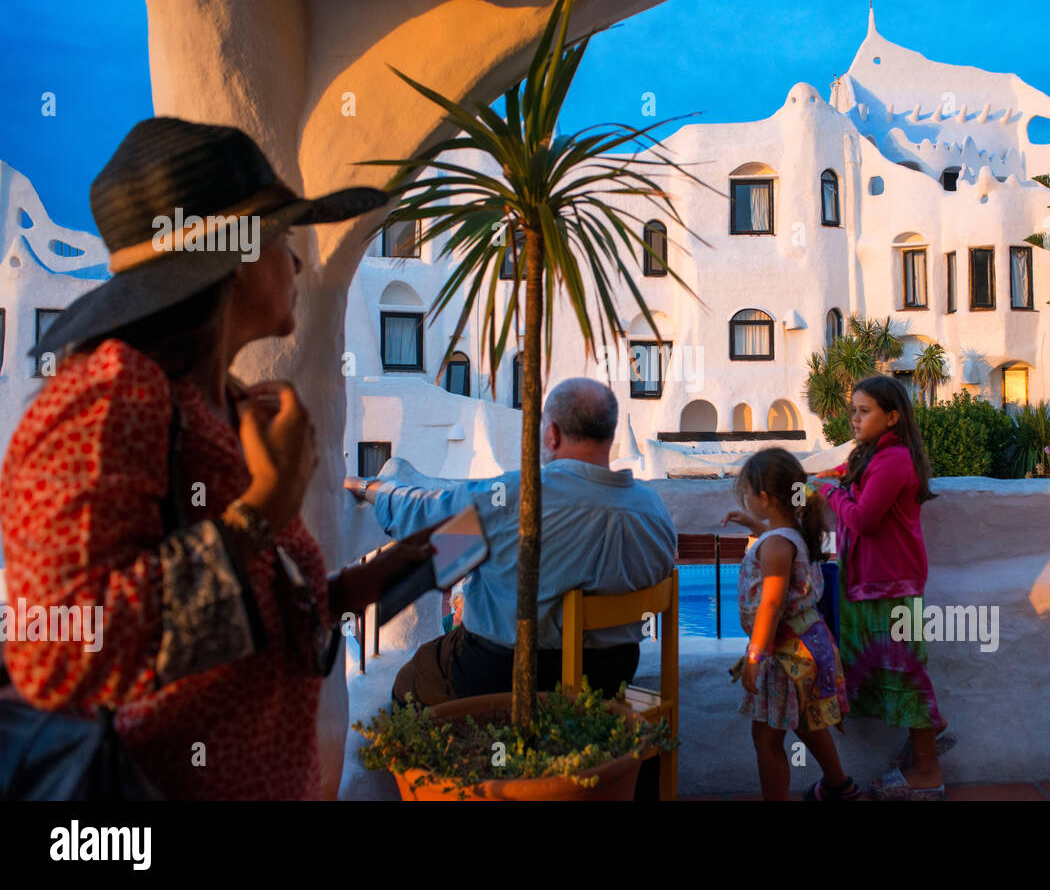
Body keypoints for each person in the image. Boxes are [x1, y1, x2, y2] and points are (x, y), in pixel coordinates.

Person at [1, 117, 438, 800]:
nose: (295, 263)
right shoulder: (113, 395)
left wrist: (361, 587)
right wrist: (262, 510)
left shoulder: (213, 403)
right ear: (231, 259)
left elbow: (227, 623)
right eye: (283, 239)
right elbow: (57, 651)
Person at [346, 378, 677, 706]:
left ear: (553, 434)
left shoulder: (517, 498)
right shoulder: (654, 511)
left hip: (505, 674)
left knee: (413, 677)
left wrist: (368, 489)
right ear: (610, 433)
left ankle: (480, 751)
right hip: (610, 677)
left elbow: (426, 513)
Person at [810, 375, 948, 800]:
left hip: (889, 587)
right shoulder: (870, 457)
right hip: (870, 585)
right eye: (852, 410)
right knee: (892, 671)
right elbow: (840, 477)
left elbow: (864, 519)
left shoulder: (893, 461)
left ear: (891, 417)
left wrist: (831, 492)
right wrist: (834, 478)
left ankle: (928, 771)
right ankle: (927, 739)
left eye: (863, 411)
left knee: (906, 673)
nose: (854, 417)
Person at [723, 448, 854, 801]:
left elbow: (771, 602)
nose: (747, 499)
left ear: (764, 498)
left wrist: (754, 656)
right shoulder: (790, 532)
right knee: (809, 722)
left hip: (784, 654)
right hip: (806, 643)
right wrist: (755, 527)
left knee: (766, 739)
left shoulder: (777, 545)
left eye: (748, 493)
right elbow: (780, 547)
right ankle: (839, 784)